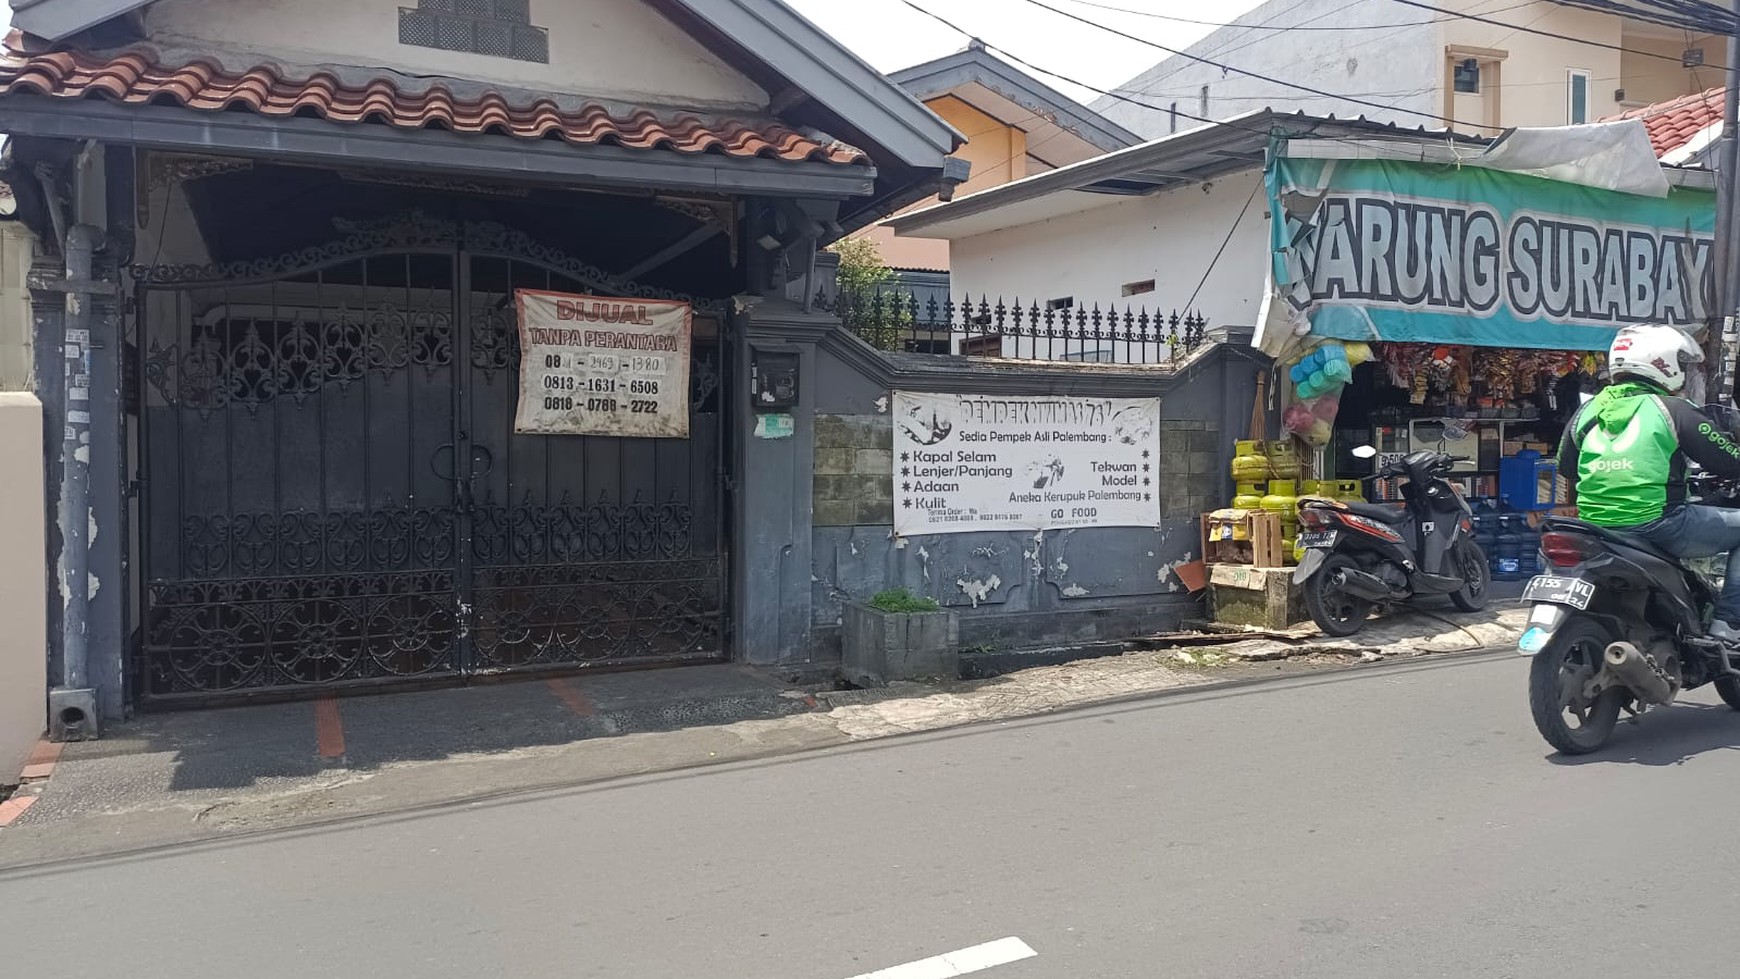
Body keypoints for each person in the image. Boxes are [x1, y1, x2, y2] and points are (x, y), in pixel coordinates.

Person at [1558, 324, 1740, 638]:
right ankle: (1729, 623)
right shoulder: (1673, 410)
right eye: (1681, 363)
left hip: (1594, 527)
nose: (1683, 371)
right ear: (1662, 362)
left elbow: (1567, 467)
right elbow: (1727, 460)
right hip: (1660, 524)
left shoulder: (1587, 411)